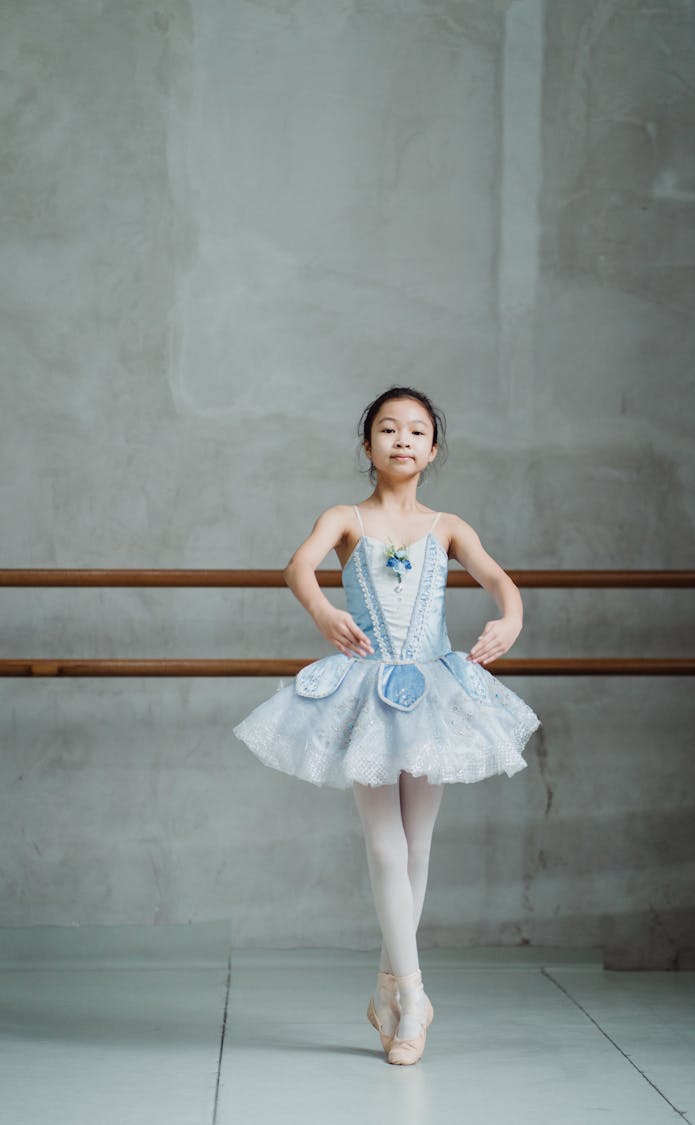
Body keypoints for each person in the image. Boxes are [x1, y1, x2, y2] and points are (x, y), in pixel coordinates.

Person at [233, 386, 541, 1065]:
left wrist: (509, 618)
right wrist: (322, 613)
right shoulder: (346, 517)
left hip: (431, 686)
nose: (403, 439)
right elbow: (298, 566)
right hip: (368, 687)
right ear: (368, 443)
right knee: (384, 846)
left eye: (417, 431)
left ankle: (386, 991)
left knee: (418, 845)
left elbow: (500, 581)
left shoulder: (448, 527)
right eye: (388, 429)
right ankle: (415, 996)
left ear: (433, 448)